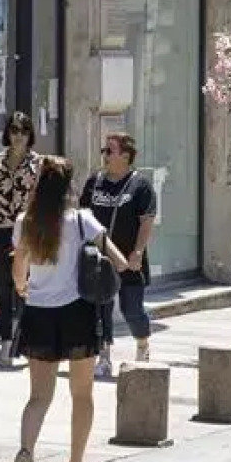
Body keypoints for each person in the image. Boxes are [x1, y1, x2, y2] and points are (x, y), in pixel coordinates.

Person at [11, 153, 127, 462]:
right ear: (68, 188)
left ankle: (26, 452)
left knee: (38, 396)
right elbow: (118, 262)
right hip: (78, 313)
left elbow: (19, 271)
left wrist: (23, 286)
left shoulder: (25, 222)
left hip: (38, 314)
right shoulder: (82, 221)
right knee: (82, 394)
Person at [80, 132, 158, 378]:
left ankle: (143, 344)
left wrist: (138, 252)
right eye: (104, 150)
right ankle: (103, 357)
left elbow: (146, 222)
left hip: (128, 261)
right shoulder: (95, 181)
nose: (104, 154)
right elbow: (83, 215)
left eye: (109, 150)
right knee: (100, 309)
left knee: (131, 309)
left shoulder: (140, 185)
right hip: (99, 260)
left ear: (125, 156)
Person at [0, 111, 41, 367]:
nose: (18, 136)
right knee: (1, 286)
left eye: (23, 131)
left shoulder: (38, 164)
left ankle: (26, 340)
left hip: (26, 231)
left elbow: (39, 199)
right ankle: (6, 342)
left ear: (30, 135)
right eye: (14, 130)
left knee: (25, 287)